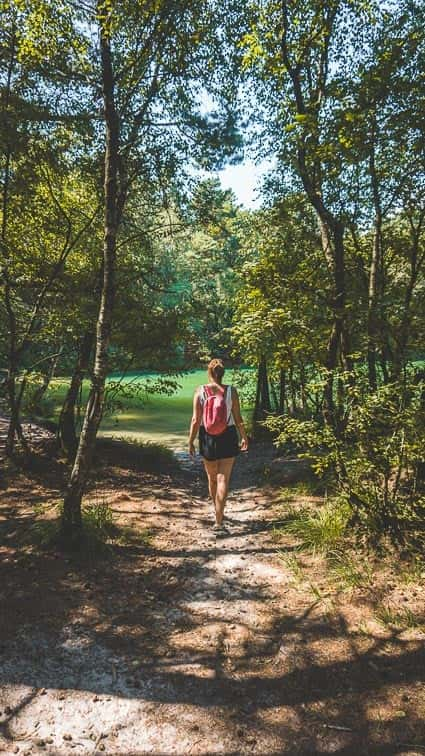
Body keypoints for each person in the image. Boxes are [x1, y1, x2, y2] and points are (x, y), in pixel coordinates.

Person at [188, 358, 249, 533]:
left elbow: (195, 420)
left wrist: (191, 441)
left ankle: (217, 511)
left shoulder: (200, 391)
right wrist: (244, 437)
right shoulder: (231, 391)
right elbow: (238, 419)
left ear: (209, 373)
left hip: (207, 437)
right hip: (228, 436)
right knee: (224, 479)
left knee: (212, 478)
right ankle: (219, 522)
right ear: (223, 374)